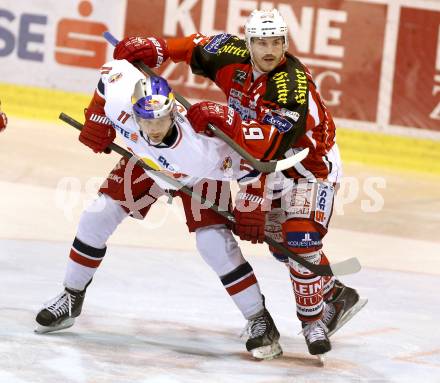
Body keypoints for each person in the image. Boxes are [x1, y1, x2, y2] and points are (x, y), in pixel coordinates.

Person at [112, 8, 367, 356]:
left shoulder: (290, 84)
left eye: (276, 42)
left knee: (300, 237)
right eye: (261, 41)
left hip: (308, 167)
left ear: (285, 43)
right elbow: (193, 46)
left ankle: (313, 321)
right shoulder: (231, 53)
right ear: (248, 43)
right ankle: (335, 293)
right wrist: (156, 47)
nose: (269, 50)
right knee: (281, 247)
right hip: (270, 166)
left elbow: (268, 146)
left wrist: (225, 117)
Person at [35, 59, 283, 360]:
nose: (153, 129)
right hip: (146, 163)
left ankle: (259, 318)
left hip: (196, 176)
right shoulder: (123, 107)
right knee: (97, 215)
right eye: (146, 120)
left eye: (160, 121)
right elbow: (110, 74)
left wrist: (252, 202)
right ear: (134, 112)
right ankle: (71, 296)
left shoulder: (203, 151)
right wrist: (97, 115)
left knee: (213, 243)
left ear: (172, 114)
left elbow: (254, 164)